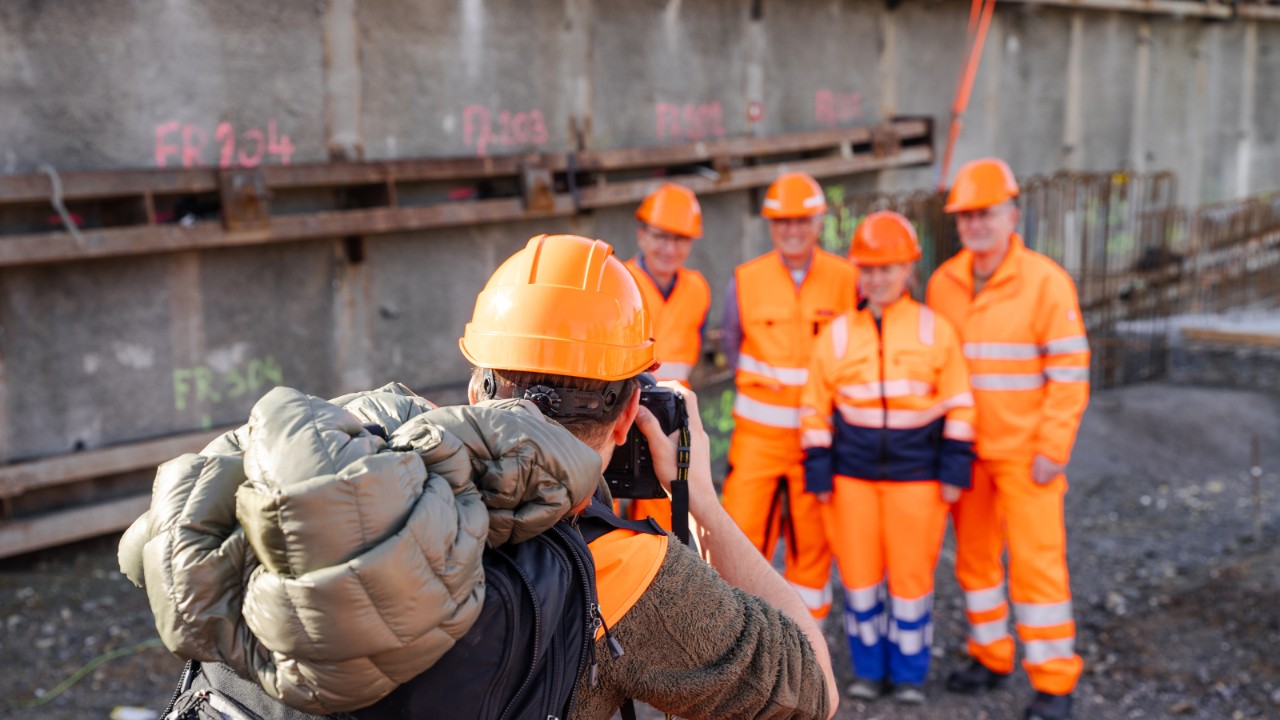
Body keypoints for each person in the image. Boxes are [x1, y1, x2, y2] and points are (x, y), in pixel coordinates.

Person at [122, 233, 837, 720]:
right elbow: (813, 687)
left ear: (477, 388)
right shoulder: (623, 569)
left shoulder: (349, 499)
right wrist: (701, 501)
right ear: (628, 418)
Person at [927, 158, 1091, 720]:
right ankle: (991, 656)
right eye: (966, 215)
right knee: (975, 562)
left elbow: (1070, 373)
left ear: (1012, 215)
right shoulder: (944, 282)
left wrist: (1053, 449)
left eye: (985, 213)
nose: (975, 224)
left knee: (1037, 565)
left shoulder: (1046, 283)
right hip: (969, 453)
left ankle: (1053, 681)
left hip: (1027, 457)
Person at [800, 211, 975, 706]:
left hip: (918, 482)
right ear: (858, 271)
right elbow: (813, 408)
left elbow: (961, 403)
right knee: (859, 580)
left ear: (909, 270)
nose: (878, 278)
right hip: (851, 480)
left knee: (912, 581)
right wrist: (820, 472)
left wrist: (954, 472)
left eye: (889, 268)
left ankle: (909, 676)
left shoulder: (935, 330)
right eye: (870, 269)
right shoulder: (836, 335)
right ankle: (869, 672)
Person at [719, 171, 857, 620]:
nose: (793, 230)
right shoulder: (744, 281)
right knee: (739, 542)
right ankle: (742, 645)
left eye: (802, 221)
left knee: (812, 554)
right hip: (757, 443)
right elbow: (732, 346)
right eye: (783, 222)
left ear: (820, 222)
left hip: (816, 445)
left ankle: (808, 653)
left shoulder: (847, 281)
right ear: (770, 226)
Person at [623, 182, 712, 531]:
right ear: (642, 235)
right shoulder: (621, 280)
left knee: (667, 508)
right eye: (660, 236)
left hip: (673, 413)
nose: (668, 248)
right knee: (610, 505)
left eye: (679, 239)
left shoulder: (697, 288)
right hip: (622, 408)